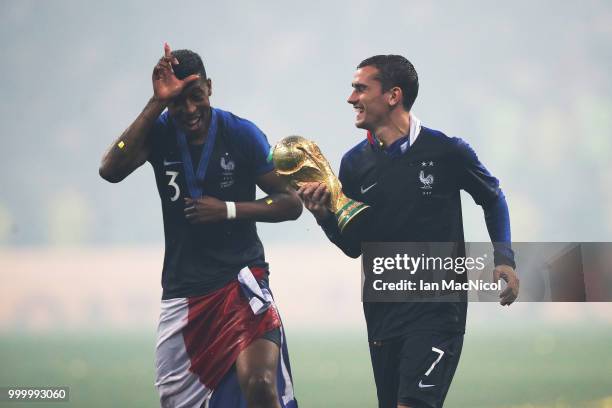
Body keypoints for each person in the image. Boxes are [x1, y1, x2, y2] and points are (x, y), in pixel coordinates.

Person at [297, 55, 519, 408]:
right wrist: (324, 215)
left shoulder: (447, 151)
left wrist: (504, 258)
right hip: (383, 312)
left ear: (392, 95)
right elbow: (355, 245)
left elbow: (493, 198)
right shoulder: (353, 165)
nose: (351, 98)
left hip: (437, 308)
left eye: (360, 88)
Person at [99, 43, 301, 408]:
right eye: (178, 102)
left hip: (241, 281)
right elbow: (110, 169)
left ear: (210, 87)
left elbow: (290, 203)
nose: (189, 110)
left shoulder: (241, 133)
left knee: (259, 383)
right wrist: (156, 103)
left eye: (195, 96)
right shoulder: (159, 132)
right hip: (184, 291)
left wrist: (228, 209)